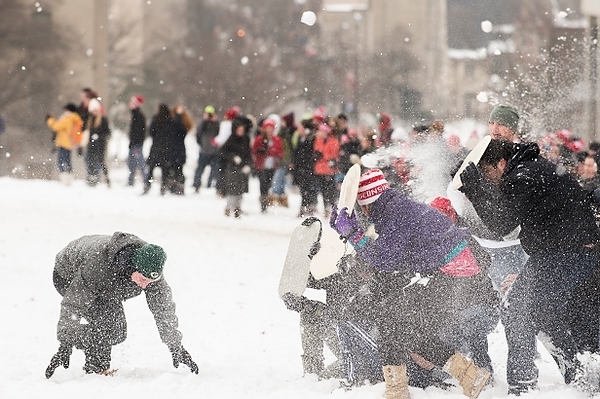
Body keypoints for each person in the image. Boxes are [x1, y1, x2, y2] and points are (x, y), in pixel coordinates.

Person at [329, 169, 492, 399]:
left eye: (359, 206)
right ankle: (466, 375)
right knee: (400, 324)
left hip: (455, 270)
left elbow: (384, 261)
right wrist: (350, 230)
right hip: (454, 269)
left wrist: (354, 235)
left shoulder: (396, 214)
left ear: (366, 204)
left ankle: (399, 390)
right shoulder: (394, 209)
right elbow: (389, 257)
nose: (360, 212)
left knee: (394, 321)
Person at [458, 138, 600, 393]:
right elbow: (505, 205)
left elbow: (501, 223)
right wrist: (472, 184)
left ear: (501, 163)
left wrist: (475, 190)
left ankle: (522, 385)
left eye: (488, 172)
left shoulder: (524, 175)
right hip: (560, 252)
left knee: (517, 310)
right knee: (545, 312)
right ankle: (578, 375)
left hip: (568, 253)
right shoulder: (527, 167)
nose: (488, 179)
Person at [45, 231, 198, 378]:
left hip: (109, 283)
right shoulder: (98, 267)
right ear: (133, 267)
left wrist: (175, 346)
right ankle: (96, 370)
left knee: (117, 331)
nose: (145, 286)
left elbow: (163, 308)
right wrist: (65, 343)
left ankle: (96, 362)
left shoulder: (150, 268)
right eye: (143, 280)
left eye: (149, 282)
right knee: (108, 326)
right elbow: (73, 304)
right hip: (68, 275)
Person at [219, 115, 253, 218]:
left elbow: (248, 153)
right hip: (232, 168)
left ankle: (238, 208)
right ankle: (228, 208)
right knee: (232, 189)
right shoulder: (231, 139)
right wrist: (233, 157)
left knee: (241, 190)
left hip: (242, 168)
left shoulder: (246, 139)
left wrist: (248, 164)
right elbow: (223, 151)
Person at [45, 103, 83, 185]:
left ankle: (65, 180)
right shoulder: (74, 118)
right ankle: (69, 178)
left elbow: (56, 126)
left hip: (64, 143)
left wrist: (50, 119)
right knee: (67, 161)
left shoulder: (68, 118)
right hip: (69, 143)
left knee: (61, 162)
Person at [251, 119, 283, 213]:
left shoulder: (276, 139)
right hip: (261, 165)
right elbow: (253, 150)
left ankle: (266, 201)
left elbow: (280, 152)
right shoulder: (259, 139)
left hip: (272, 166)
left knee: (268, 184)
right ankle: (263, 204)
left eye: (271, 128)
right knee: (262, 184)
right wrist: (259, 151)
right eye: (268, 128)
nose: (269, 130)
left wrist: (274, 154)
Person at [144, 103, 175, 195]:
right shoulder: (170, 120)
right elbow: (172, 134)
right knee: (164, 170)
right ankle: (163, 187)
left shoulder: (156, 119)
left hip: (156, 147)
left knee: (151, 169)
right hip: (166, 148)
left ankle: (147, 186)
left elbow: (151, 131)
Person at [291, 117, 318, 217]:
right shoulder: (300, 138)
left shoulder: (311, 140)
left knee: (308, 189)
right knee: (303, 189)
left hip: (308, 168)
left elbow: (309, 154)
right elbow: (297, 152)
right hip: (300, 168)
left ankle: (308, 207)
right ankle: (304, 206)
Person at [313, 123, 340, 218]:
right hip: (320, 169)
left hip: (329, 169)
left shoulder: (333, 141)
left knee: (330, 191)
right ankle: (326, 209)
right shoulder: (318, 140)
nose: (319, 133)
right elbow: (317, 151)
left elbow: (334, 154)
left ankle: (331, 209)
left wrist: (323, 156)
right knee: (323, 191)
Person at [192, 105, 220, 192]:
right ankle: (196, 184)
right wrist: (204, 121)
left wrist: (215, 121)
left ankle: (210, 185)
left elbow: (219, 133)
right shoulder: (202, 123)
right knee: (200, 169)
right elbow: (198, 134)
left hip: (215, 151)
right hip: (204, 150)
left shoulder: (217, 124)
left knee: (214, 170)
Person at [168, 104, 194, 195]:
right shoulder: (171, 122)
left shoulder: (183, 124)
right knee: (172, 169)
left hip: (179, 150)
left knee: (178, 170)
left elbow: (178, 129)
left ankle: (179, 187)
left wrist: (178, 116)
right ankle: (172, 187)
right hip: (172, 149)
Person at [84, 98, 111, 187]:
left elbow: (107, 132)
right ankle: (91, 178)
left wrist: (99, 137)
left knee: (100, 162)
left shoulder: (103, 120)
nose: (94, 112)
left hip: (100, 145)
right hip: (91, 145)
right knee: (90, 161)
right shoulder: (90, 120)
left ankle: (105, 179)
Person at [126, 95, 147, 187]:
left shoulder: (139, 116)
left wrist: (135, 142)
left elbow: (139, 132)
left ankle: (146, 181)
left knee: (140, 163)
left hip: (136, 144)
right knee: (131, 164)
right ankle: (131, 182)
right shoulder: (135, 115)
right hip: (134, 144)